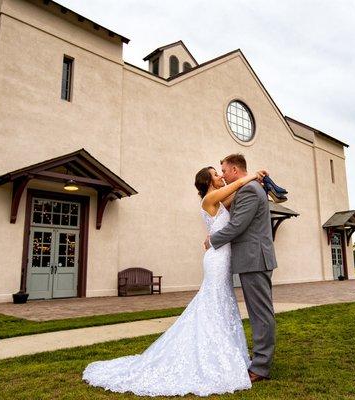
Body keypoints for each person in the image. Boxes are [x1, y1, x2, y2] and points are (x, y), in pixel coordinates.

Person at [82, 165, 266, 397]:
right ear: (208, 182)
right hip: (217, 259)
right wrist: (252, 175)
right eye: (216, 174)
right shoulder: (209, 199)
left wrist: (257, 182)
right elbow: (238, 184)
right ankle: (212, 352)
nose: (221, 176)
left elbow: (238, 197)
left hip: (223, 256)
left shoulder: (220, 201)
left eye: (221, 172)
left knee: (223, 301)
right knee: (214, 300)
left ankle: (223, 350)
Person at [204, 153, 277, 383]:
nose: (223, 175)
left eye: (224, 170)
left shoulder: (249, 190)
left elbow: (237, 226)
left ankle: (261, 367)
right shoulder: (249, 188)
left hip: (254, 259)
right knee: (259, 312)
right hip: (253, 258)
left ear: (235, 170)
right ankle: (260, 360)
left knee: (260, 313)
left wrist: (211, 241)